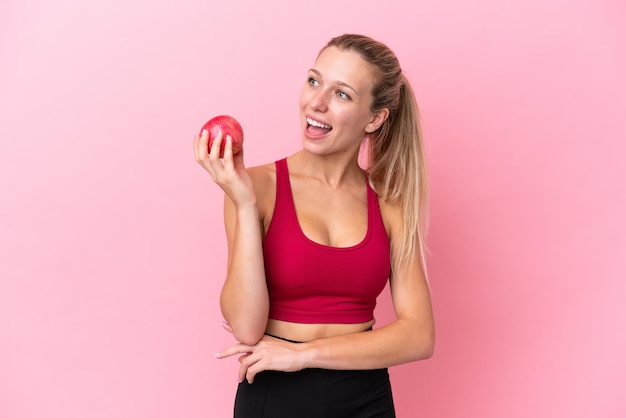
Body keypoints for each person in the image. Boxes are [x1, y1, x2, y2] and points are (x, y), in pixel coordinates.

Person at [193, 33, 435, 418]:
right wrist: (244, 204)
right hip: (273, 396)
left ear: (375, 118)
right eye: (313, 80)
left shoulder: (390, 202)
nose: (316, 103)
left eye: (342, 94)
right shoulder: (256, 187)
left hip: (365, 398)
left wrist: (303, 355)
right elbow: (246, 326)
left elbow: (419, 335)